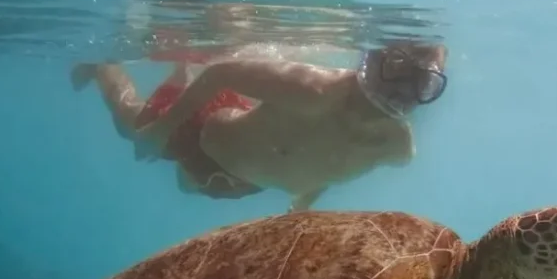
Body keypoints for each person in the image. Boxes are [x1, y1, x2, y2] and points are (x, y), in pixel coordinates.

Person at [71, 41, 447, 210]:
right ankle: (102, 65)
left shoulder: (397, 147)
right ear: (375, 59)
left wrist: (304, 203)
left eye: (421, 84)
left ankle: (180, 71)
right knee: (128, 120)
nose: (401, 93)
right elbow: (220, 74)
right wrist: (160, 130)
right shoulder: (314, 89)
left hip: (242, 182)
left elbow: (336, 163)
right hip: (200, 133)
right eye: (396, 70)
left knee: (187, 186)